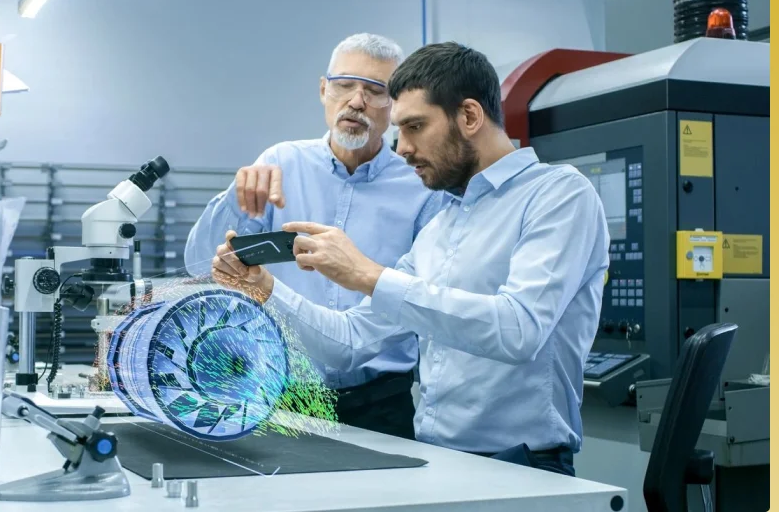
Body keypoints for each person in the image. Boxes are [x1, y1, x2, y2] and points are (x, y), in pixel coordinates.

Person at [210, 41, 610, 477]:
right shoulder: (443, 224)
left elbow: (519, 330)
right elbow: (349, 343)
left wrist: (368, 275)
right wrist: (266, 290)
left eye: (415, 127)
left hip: (523, 464)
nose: (401, 148)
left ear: (470, 116)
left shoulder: (559, 195)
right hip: (436, 461)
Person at [183, 33, 445, 440]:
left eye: (376, 90)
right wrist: (233, 200)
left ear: (395, 106)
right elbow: (201, 265)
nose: (356, 101)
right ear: (324, 90)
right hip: (281, 395)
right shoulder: (279, 163)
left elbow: (420, 297)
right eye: (344, 85)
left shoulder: (421, 187)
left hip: (381, 402)